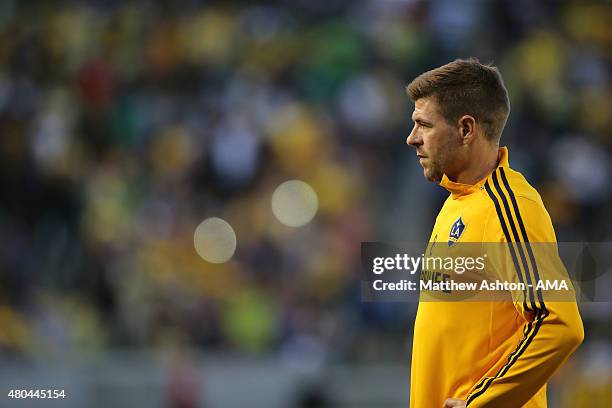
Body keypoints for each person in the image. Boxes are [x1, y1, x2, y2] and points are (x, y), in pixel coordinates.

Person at [405, 58, 584, 407]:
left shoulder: (510, 207)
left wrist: (483, 403)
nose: (411, 138)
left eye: (423, 125)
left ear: (466, 129)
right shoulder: (457, 202)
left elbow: (560, 323)